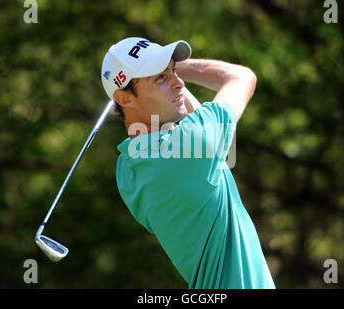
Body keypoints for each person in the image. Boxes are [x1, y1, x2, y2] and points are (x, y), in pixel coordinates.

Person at [101, 37, 275, 289]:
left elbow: (196, 127)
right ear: (125, 98)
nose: (179, 82)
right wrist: (182, 66)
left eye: (173, 71)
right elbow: (242, 77)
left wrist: (163, 69)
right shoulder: (189, 148)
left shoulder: (128, 171)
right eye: (159, 78)